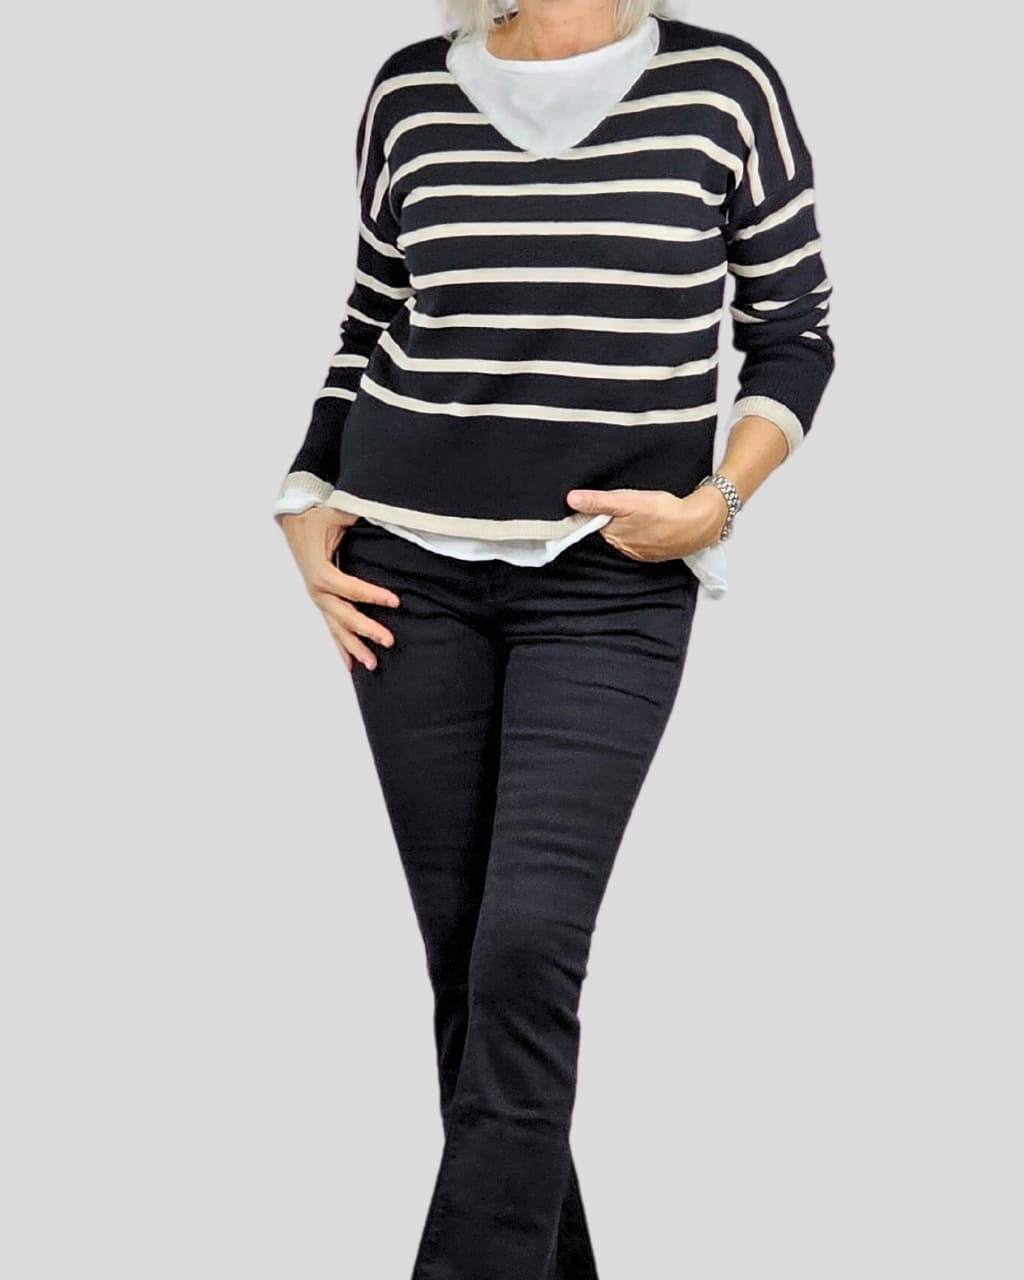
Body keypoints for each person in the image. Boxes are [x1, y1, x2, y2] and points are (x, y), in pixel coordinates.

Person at [274, 2, 835, 1276]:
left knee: (527, 942)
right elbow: (372, 319)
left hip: (610, 582)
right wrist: (306, 491)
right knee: (473, 966)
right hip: (403, 571)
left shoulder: (721, 86)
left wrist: (716, 502)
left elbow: (794, 333)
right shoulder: (410, 90)